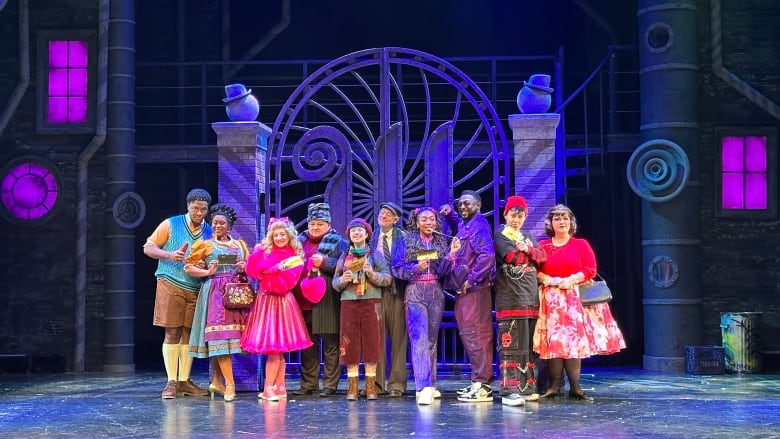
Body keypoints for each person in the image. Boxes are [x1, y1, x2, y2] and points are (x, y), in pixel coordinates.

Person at [533, 204, 626, 401]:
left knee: (573, 344)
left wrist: (572, 279)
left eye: (565, 218)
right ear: (550, 223)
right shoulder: (543, 246)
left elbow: (591, 269)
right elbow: (535, 270)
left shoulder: (580, 244)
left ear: (571, 222)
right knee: (555, 344)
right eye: (557, 219)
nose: (561, 222)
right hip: (550, 300)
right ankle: (554, 386)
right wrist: (548, 280)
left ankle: (576, 388)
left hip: (574, 300)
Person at [143, 188, 213, 399]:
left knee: (188, 333)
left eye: (203, 209)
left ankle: (184, 380)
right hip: (171, 282)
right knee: (172, 331)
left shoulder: (208, 231)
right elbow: (148, 247)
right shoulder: (171, 224)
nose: (199, 212)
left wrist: (204, 263)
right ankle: (171, 381)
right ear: (188, 206)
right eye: (195, 208)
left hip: (195, 286)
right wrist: (169, 254)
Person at [241, 217, 313, 401]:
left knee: (277, 348)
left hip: (280, 302)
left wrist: (269, 272)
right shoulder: (266, 251)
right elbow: (252, 269)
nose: (280, 238)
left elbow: (283, 285)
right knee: (275, 349)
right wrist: (263, 259)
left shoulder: (294, 258)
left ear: (289, 236)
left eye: (283, 234)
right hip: (266, 302)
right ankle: (278, 387)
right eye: (276, 234)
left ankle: (271, 388)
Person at [184, 204, 250, 402]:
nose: (218, 226)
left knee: (232, 340)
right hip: (215, 294)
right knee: (220, 340)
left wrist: (243, 267)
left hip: (236, 294)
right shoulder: (205, 245)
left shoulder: (240, 245)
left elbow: (248, 268)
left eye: (222, 223)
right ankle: (229, 385)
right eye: (215, 223)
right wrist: (207, 272)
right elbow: (189, 267)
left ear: (229, 226)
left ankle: (216, 381)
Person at [392, 207, 452, 405]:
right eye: (424, 219)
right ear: (417, 222)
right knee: (419, 340)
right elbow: (397, 269)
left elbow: (443, 271)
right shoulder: (407, 240)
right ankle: (422, 387)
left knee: (431, 341)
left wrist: (452, 255)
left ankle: (431, 385)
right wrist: (416, 267)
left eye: (432, 219)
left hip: (435, 291)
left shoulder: (440, 241)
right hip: (415, 290)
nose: (429, 223)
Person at [440, 190, 496, 403]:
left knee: (476, 335)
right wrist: (450, 215)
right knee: (470, 334)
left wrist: (471, 280)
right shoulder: (467, 224)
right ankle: (478, 381)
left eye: (467, 204)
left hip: (475, 290)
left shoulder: (479, 226)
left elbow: (487, 255)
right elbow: (459, 229)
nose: (462, 207)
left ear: (479, 205)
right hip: (467, 291)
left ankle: (483, 385)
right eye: (460, 204)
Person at [492, 195, 546, 407]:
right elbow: (513, 258)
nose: (517, 219)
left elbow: (542, 257)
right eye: (513, 215)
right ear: (505, 214)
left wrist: (529, 250)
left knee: (528, 347)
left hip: (530, 299)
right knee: (511, 346)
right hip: (510, 299)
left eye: (521, 215)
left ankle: (527, 387)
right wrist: (527, 253)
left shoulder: (527, 236)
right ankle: (508, 390)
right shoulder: (500, 235)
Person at [291, 203, 349, 397]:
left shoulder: (339, 242)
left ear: (328, 224)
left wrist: (325, 263)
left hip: (327, 301)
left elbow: (345, 267)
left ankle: (330, 385)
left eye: (320, 224)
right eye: (312, 223)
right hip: (302, 301)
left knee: (331, 344)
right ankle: (308, 384)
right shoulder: (297, 243)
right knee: (308, 345)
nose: (315, 228)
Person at [333, 218, 392, 400]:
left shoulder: (375, 256)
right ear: (349, 236)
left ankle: (370, 388)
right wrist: (343, 280)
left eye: (360, 230)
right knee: (348, 343)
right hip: (349, 303)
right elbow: (335, 283)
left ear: (367, 234)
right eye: (353, 231)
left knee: (372, 343)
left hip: (371, 303)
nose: (356, 233)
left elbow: (388, 278)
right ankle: (352, 388)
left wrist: (372, 274)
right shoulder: (344, 257)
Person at [369, 202, 408, 398]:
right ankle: (376, 384)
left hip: (398, 293)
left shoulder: (404, 238)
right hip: (375, 293)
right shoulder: (372, 236)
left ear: (396, 219)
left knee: (399, 339)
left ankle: (397, 384)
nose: (383, 216)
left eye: (388, 214)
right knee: (376, 339)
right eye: (381, 213)